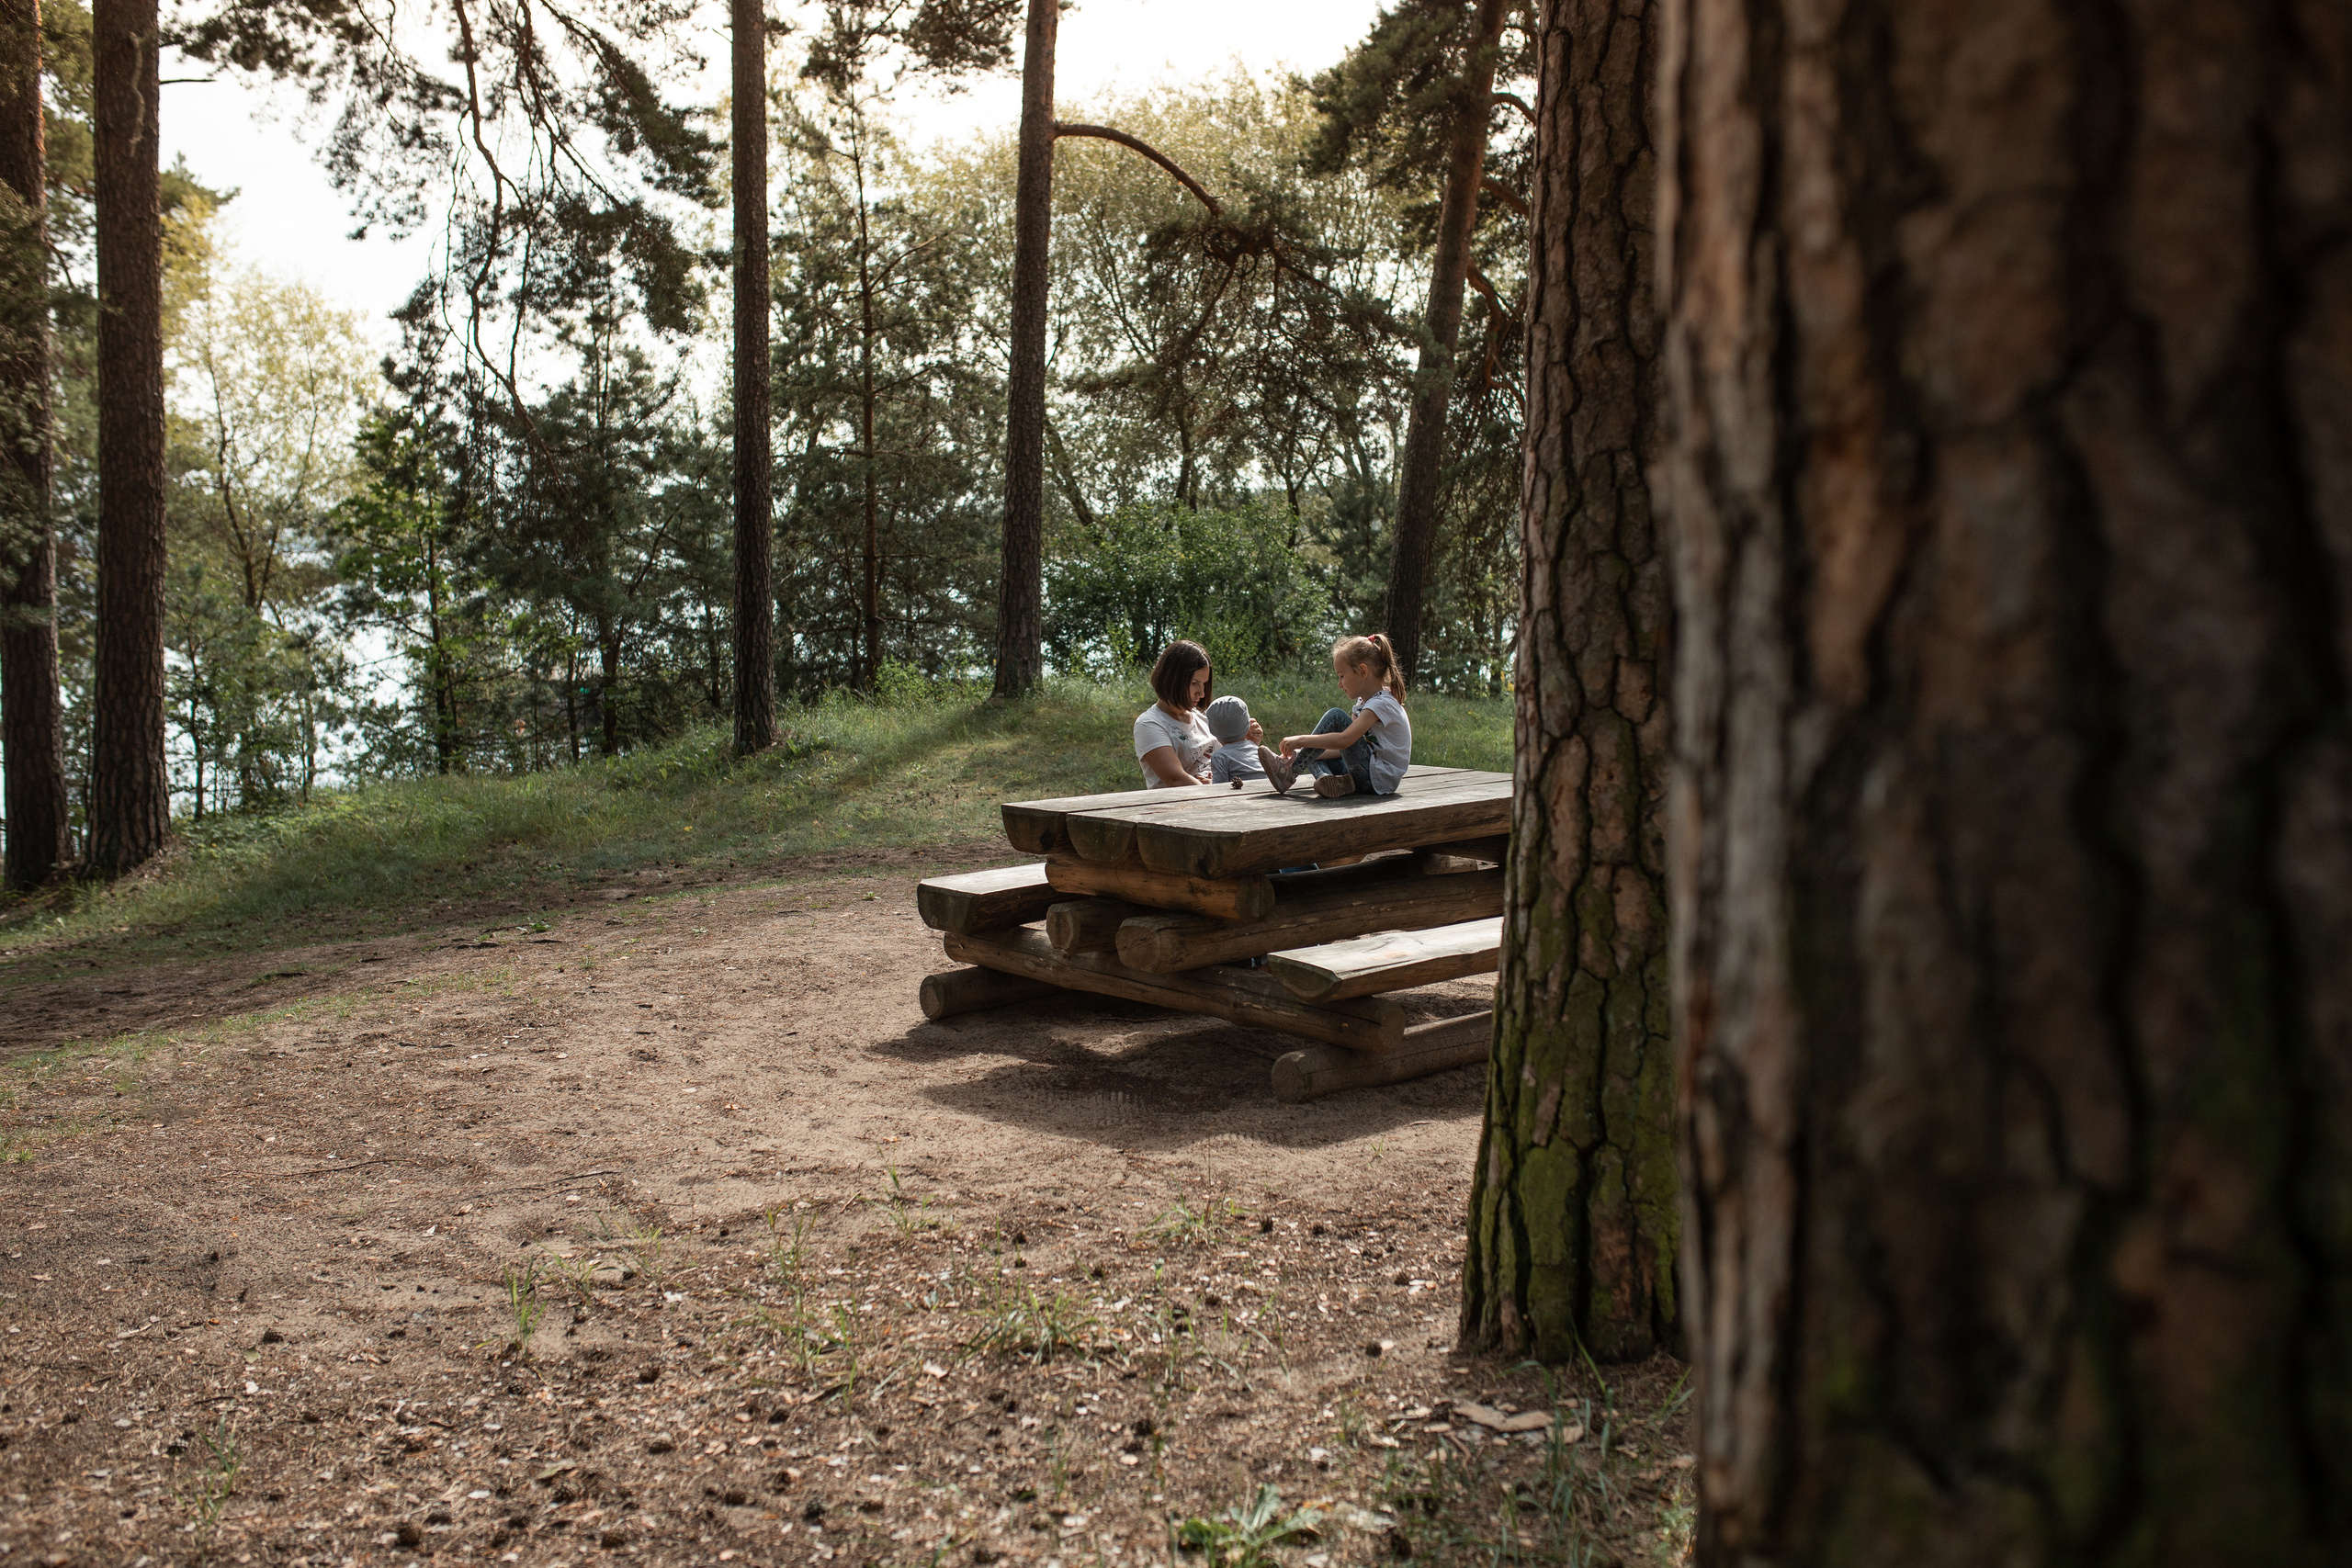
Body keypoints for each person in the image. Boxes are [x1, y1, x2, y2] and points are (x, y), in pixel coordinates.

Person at [1263, 632, 1412, 798]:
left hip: (1377, 778)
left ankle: (1290, 772)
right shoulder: (1363, 703)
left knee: (1335, 716)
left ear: (1362, 671)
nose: (1339, 684)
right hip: (1365, 773)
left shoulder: (1381, 704)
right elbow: (1343, 748)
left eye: (1342, 676)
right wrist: (1301, 752)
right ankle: (1329, 780)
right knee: (1316, 749)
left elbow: (1344, 741)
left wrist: (1301, 740)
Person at [1133, 639, 1259, 787]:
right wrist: (1216, 791)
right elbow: (1175, 779)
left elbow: (1231, 762)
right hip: (1192, 800)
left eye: (1204, 684)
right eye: (1194, 683)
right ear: (1172, 679)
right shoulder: (1149, 724)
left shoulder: (1205, 717)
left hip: (1225, 793)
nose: (1202, 693)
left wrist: (1245, 743)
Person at [1204, 695, 1268, 784]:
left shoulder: (1220, 757)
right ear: (1247, 724)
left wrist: (1210, 783)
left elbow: (1220, 788)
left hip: (1244, 792)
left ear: (1212, 730)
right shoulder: (1257, 749)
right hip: (1268, 788)